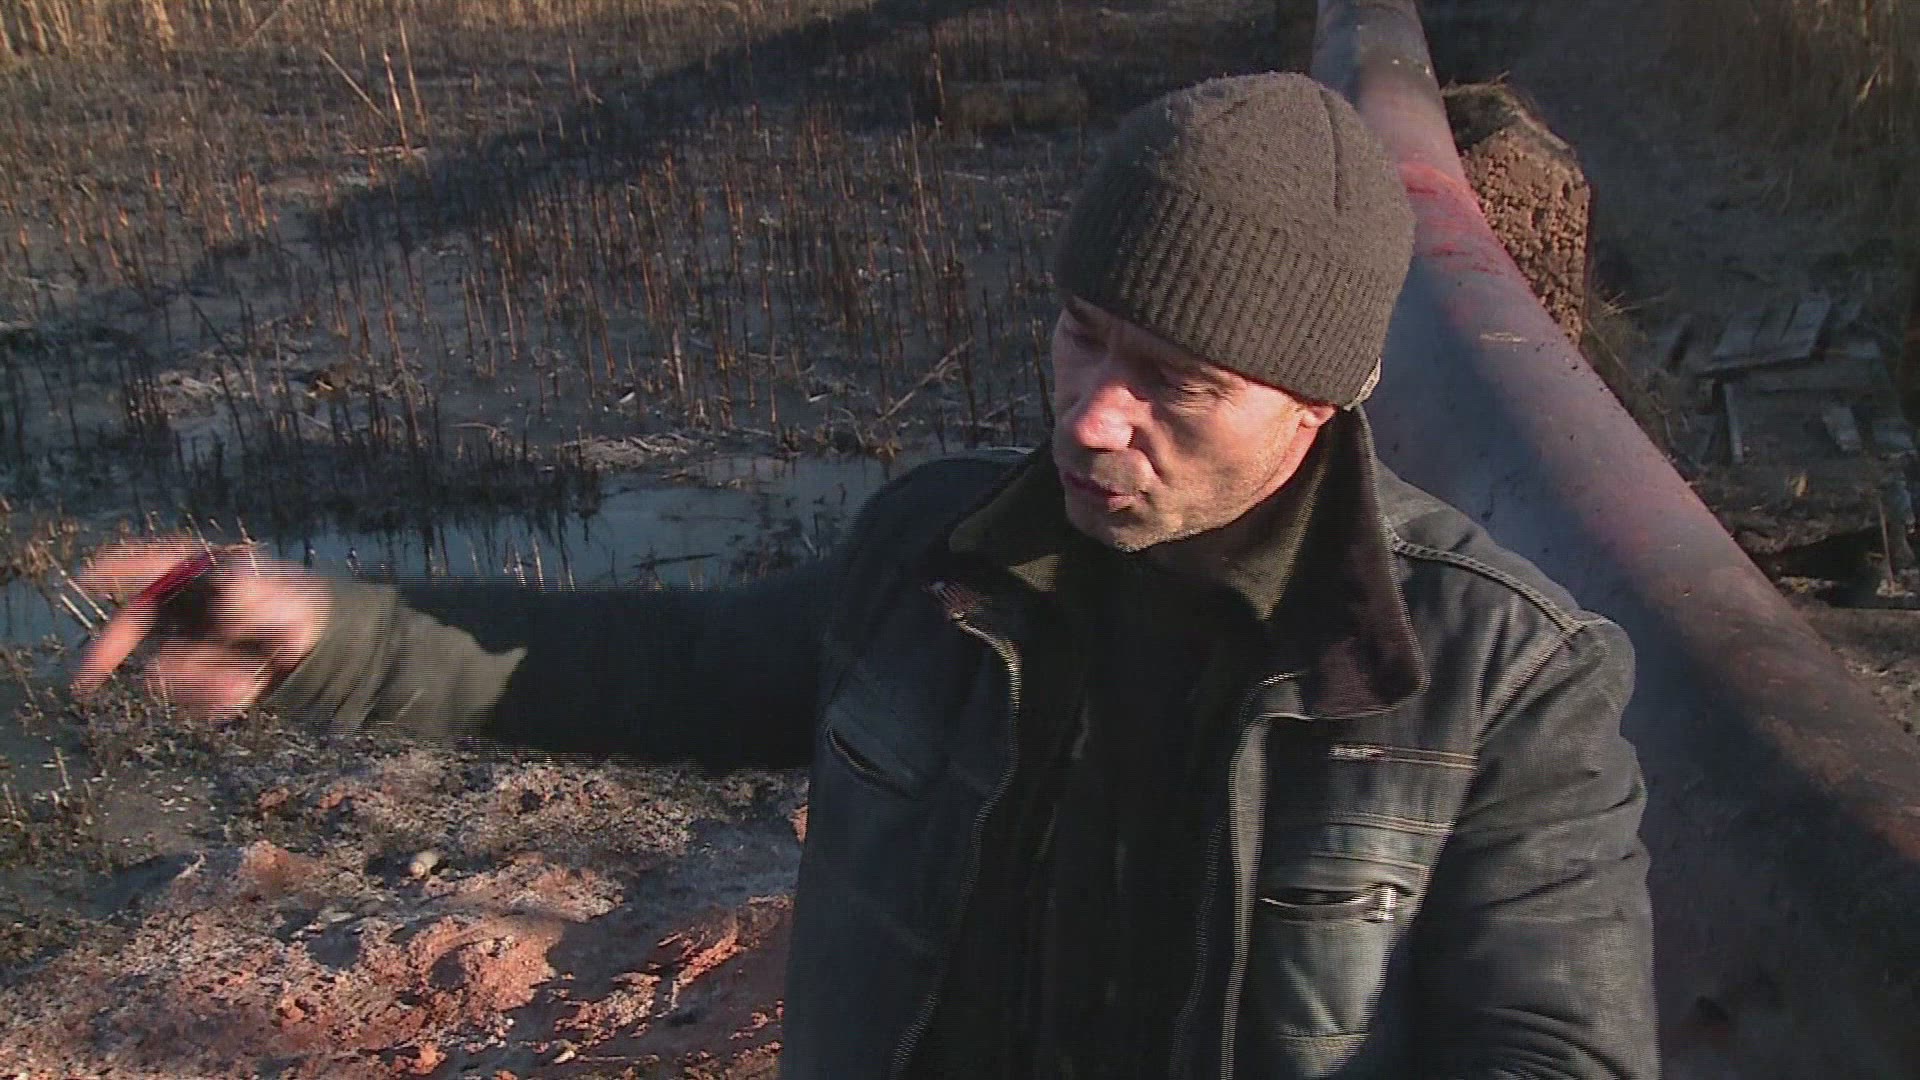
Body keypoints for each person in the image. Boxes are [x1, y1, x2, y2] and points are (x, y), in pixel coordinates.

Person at [73, 73, 1657, 1079]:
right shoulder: (939, 556)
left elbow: (1557, 1050)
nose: (1091, 414)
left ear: (1322, 403)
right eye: (1081, 334)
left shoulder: (1501, 683)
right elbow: (668, 670)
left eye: (1177, 379)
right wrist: (329, 637)